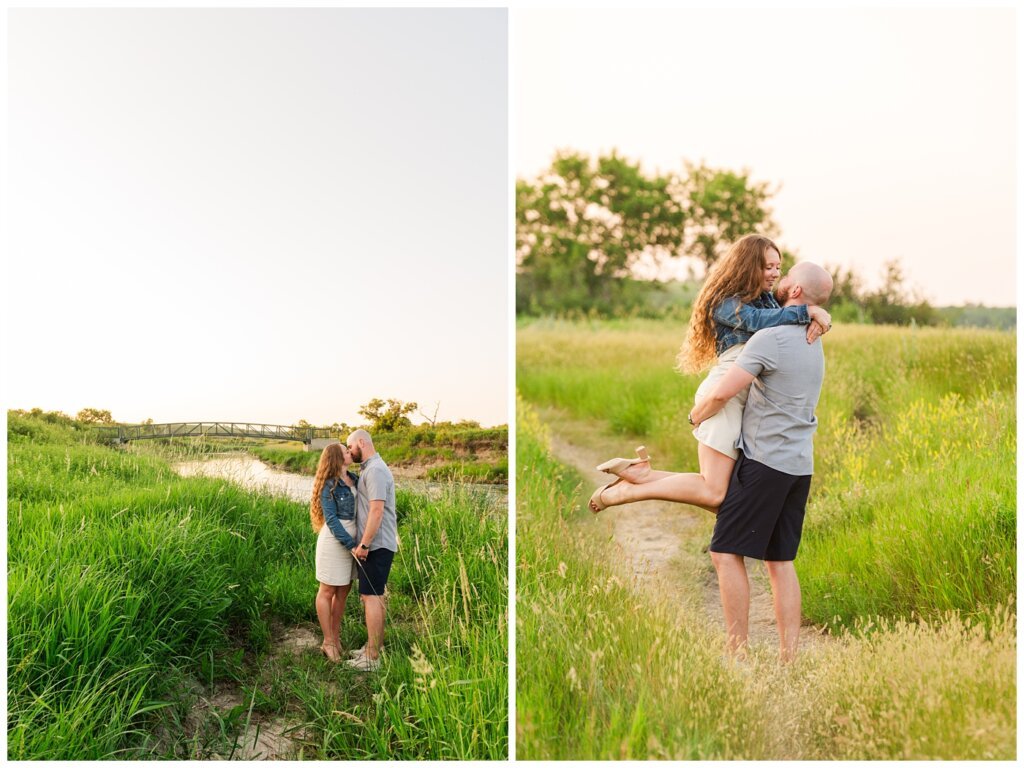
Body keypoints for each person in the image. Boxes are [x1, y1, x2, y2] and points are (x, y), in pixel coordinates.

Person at [589, 234, 832, 514]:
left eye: (779, 267)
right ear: (748, 266)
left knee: (724, 493)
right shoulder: (726, 303)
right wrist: (809, 311)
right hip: (724, 395)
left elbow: (787, 318)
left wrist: (820, 315)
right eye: (768, 267)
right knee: (715, 493)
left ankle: (640, 476)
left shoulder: (767, 300)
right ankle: (622, 493)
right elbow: (760, 322)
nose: (776, 274)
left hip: (744, 399)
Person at [692, 261, 834, 663]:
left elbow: (723, 393)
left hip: (766, 466)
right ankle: (789, 656)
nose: (778, 279)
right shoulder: (813, 338)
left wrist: (696, 416)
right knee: (780, 561)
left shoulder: (770, 339)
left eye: (784, 275)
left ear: (794, 292)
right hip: (799, 467)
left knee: (724, 553)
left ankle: (736, 649)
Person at [345, 428, 397, 672]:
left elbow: (377, 510)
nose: (349, 451)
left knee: (372, 598)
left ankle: (373, 658)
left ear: (362, 443)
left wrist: (364, 545)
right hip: (374, 544)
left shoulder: (375, 470)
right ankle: (371, 647)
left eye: (350, 446)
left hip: (376, 545)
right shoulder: (369, 468)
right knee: (371, 597)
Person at [310, 442, 360, 663]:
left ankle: (336, 638)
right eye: (346, 451)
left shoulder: (355, 479)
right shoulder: (328, 486)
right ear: (336, 458)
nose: (350, 453)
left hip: (353, 543)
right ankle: (328, 641)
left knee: (343, 590)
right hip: (334, 543)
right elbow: (331, 521)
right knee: (327, 590)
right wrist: (351, 545)